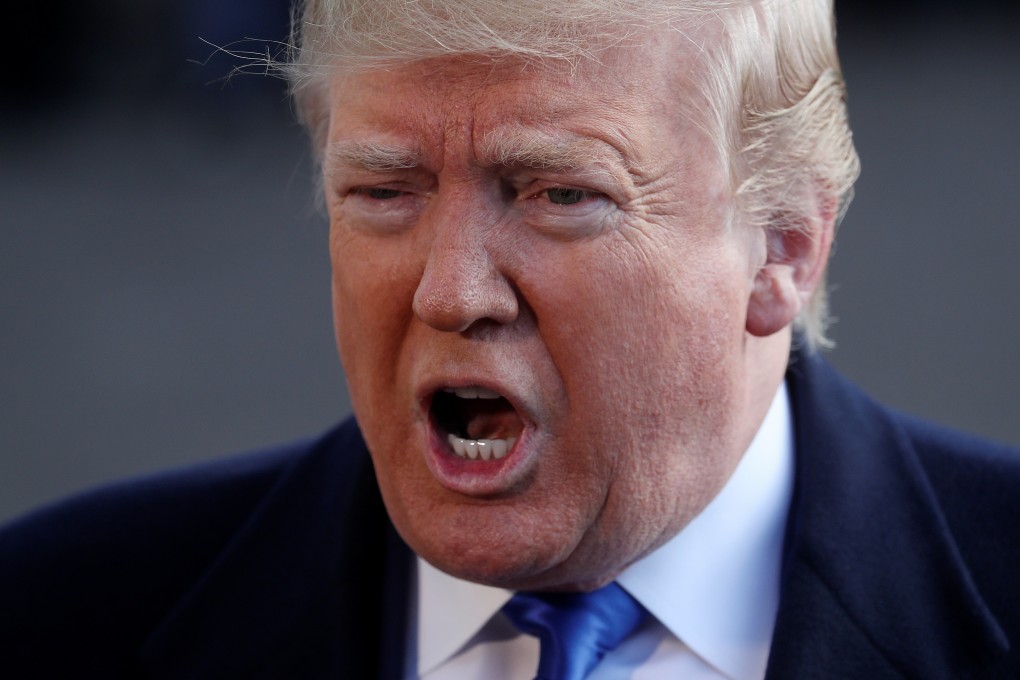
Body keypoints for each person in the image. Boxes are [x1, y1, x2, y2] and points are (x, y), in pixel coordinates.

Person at [2, 0, 1018, 678]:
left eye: (558, 194)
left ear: (785, 246)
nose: (451, 290)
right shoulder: (58, 615)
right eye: (384, 191)